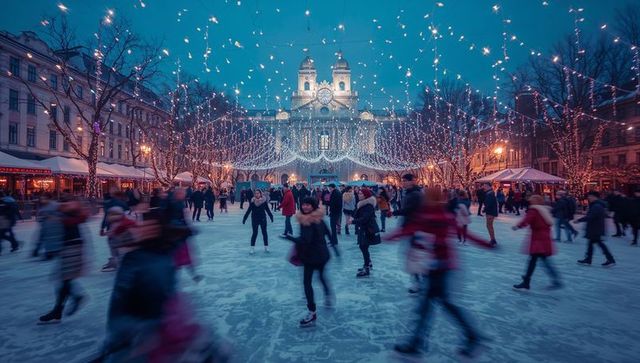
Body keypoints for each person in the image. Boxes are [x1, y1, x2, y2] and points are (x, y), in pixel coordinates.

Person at [387, 188, 495, 359]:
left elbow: (407, 230)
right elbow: (467, 233)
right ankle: (468, 337)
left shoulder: (425, 215)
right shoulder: (445, 214)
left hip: (433, 266)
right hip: (445, 265)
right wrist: (487, 244)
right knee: (435, 305)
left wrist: (388, 237)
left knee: (431, 306)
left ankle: (420, 343)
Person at [283, 197, 333, 327]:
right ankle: (327, 294)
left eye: (308, 205)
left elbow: (306, 240)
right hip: (322, 255)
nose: (305, 207)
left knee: (307, 283)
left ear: (313, 206)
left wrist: (290, 238)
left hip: (312, 256)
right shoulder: (319, 217)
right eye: (303, 204)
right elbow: (328, 233)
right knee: (321, 277)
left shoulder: (307, 221)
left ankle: (312, 312)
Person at [38, 196, 89, 323]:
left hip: (72, 247)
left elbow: (73, 221)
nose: (66, 204)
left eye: (69, 202)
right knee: (63, 279)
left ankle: (67, 304)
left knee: (64, 279)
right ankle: (60, 309)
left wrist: (57, 218)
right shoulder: (63, 213)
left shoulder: (71, 214)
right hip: (67, 246)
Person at [512, 195, 562, 290]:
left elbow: (527, 220)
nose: (530, 202)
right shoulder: (544, 210)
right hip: (544, 237)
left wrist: (517, 226)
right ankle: (527, 281)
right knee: (535, 260)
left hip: (538, 238)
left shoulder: (534, 210)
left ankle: (555, 280)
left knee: (539, 260)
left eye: (531, 201)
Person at [392, 174, 425, 293]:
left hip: (415, 228)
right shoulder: (410, 193)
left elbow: (410, 210)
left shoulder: (415, 194)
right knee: (413, 256)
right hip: (410, 227)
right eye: (402, 181)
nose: (403, 183)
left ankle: (419, 281)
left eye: (405, 181)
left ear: (412, 181)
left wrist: (394, 213)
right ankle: (419, 280)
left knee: (414, 257)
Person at [576, 191, 616, 267]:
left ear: (595, 197)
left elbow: (591, 216)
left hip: (595, 228)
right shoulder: (597, 205)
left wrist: (578, 220)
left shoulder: (596, 206)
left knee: (599, 244)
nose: (588, 198)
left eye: (590, 196)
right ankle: (588, 259)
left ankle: (610, 259)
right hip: (595, 228)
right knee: (591, 244)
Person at [349, 188, 379, 277]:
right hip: (364, 228)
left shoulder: (368, 205)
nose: (359, 195)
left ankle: (367, 268)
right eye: (358, 193)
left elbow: (365, 218)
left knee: (363, 246)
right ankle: (368, 263)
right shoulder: (362, 204)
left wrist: (353, 221)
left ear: (365, 195)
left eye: (361, 194)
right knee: (363, 247)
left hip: (368, 229)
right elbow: (358, 214)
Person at [100, 190, 130, 272]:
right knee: (121, 246)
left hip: (112, 228)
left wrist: (102, 228)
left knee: (113, 246)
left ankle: (116, 261)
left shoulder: (109, 203)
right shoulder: (123, 204)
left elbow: (106, 217)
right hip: (122, 228)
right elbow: (128, 215)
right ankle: (119, 262)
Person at [243, 189, 274, 254]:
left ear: (260, 194)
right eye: (256, 193)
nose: (257, 194)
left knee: (264, 233)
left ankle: (266, 247)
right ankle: (252, 248)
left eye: (258, 193)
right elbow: (248, 211)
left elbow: (267, 210)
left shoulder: (264, 201)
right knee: (254, 233)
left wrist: (271, 216)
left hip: (262, 219)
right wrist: (244, 218)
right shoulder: (252, 202)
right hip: (255, 219)